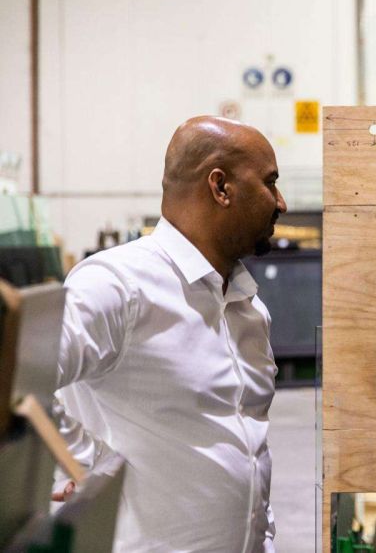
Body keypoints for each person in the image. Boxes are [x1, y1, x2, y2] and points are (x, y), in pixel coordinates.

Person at [52, 116, 287, 552]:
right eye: (270, 183)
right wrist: (85, 465)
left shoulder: (248, 308)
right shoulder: (117, 284)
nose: (281, 202)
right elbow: (21, 376)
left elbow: (250, 447)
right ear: (221, 188)